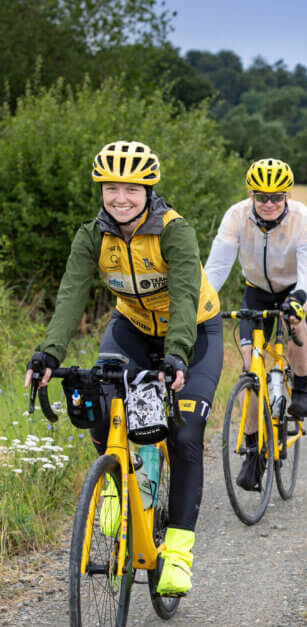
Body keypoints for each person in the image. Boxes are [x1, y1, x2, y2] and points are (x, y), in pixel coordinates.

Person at [25, 140, 223, 596]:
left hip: (193, 333)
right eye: (112, 187)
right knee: (100, 395)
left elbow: (184, 297)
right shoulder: (92, 235)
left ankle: (177, 551)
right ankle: (117, 480)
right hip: (130, 328)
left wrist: (175, 353)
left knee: (187, 432)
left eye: (131, 189)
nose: (120, 198)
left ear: (148, 190)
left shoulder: (175, 231)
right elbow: (72, 294)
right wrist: (49, 352)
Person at [205, 158, 307, 419]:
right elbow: (216, 267)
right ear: (251, 194)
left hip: (295, 286)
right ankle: (253, 447)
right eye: (262, 197)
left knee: (296, 322)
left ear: (287, 195)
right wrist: (202, 300)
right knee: (250, 367)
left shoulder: (304, 218)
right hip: (256, 290)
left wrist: (300, 297)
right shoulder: (236, 216)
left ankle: (301, 388)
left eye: (277, 198)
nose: (269, 204)